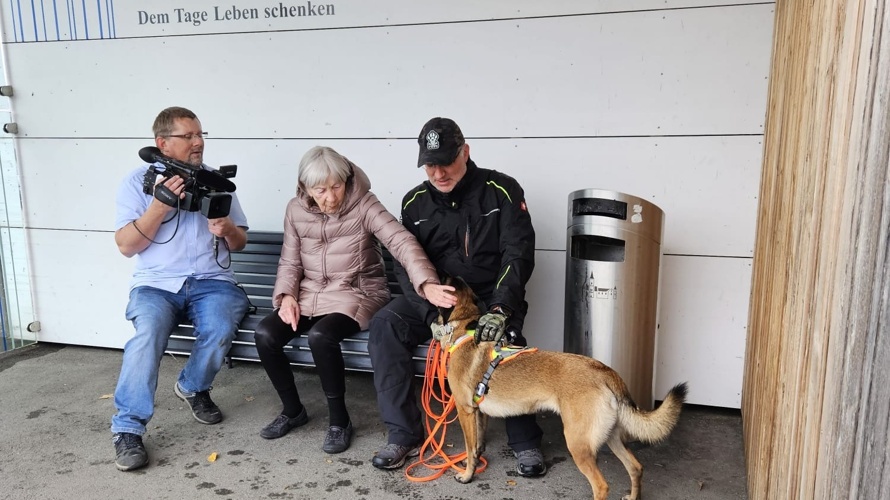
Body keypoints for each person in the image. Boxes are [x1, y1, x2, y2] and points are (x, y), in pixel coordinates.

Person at [367, 117, 547, 476]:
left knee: (507, 342)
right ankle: (403, 434)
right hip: (437, 298)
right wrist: (427, 300)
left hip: (489, 299)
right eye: (430, 165)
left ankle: (525, 443)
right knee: (386, 325)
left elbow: (518, 253)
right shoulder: (414, 202)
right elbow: (404, 261)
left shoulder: (503, 190)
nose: (438, 173)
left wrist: (500, 308)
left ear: (465, 152)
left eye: (446, 162)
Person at [253, 146, 455, 454]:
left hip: (358, 292)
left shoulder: (364, 204)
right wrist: (287, 296)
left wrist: (426, 282)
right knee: (265, 334)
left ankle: (339, 421)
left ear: (346, 180)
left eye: (336, 187)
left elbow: (401, 242)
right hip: (309, 295)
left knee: (321, 336)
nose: (331, 197)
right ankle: (293, 411)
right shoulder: (295, 209)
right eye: (320, 190)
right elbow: (290, 261)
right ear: (305, 188)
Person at [110, 106, 249, 472]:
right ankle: (127, 429)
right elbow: (126, 245)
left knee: (221, 324)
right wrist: (159, 206)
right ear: (163, 143)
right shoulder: (136, 183)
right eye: (188, 136)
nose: (198, 142)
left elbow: (240, 243)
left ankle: (192, 385)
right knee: (148, 334)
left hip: (211, 282)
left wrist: (227, 230)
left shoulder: (215, 181)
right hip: (156, 285)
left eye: (200, 134)